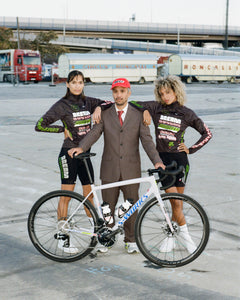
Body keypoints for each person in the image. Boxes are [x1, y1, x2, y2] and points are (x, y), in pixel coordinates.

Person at [68, 78, 165, 254]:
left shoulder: (138, 114)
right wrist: (81, 147)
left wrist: (157, 161)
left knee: (131, 205)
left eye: (122, 91)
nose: (118, 95)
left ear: (128, 93)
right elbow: (94, 133)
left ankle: (131, 239)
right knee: (107, 205)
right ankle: (108, 238)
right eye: (115, 91)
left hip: (131, 168)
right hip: (109, 167)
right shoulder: (105, 114)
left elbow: (147, 142)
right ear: (112, 93)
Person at [129, 75, 212, 252]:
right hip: (163, 161)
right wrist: (144, 111)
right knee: (173, 200)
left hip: (180, 161)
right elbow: (132, 103)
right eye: (162, 93)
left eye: (168, 92)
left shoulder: (186, 112)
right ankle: (184, 234)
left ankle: (173, 236)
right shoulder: (155, 107)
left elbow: (207, 134)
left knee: (178, 203)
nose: (165, 96)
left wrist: (191, 149)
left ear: (176, 91)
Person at [35, 70, 111, 253]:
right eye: (74, 82)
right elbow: (39, 125)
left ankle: (98, 234)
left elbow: (108, 103)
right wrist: (62, 129)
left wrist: (99, 107)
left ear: (84, 84)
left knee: (89, 196)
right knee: (66, 197)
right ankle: (62, 237)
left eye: (80, 82)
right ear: (67, 84)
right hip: (68, 156)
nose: (77, 85)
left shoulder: (89, 102)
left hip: (84, 156)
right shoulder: (61, 105)